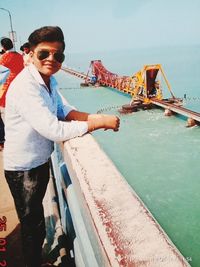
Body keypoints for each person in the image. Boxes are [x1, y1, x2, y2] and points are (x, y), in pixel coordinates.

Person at [3, 26, 120, 267]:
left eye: (58, 56)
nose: (52, 60)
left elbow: (62, 111)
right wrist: (98, 125)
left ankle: (36, 259)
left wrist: (95, 118)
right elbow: (53, 130)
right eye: (44, 54)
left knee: (34, 221)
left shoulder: (49, 80)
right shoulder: (27, 86)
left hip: (38, 161)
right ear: (30, 53)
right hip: (23, 168)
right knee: (31, 225)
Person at [0, 37, 24, 149]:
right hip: (19, 86)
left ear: (3, 47)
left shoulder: (4, 58)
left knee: (5, 115)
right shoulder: (20, 56)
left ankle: (8, 139)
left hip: (6, 87)